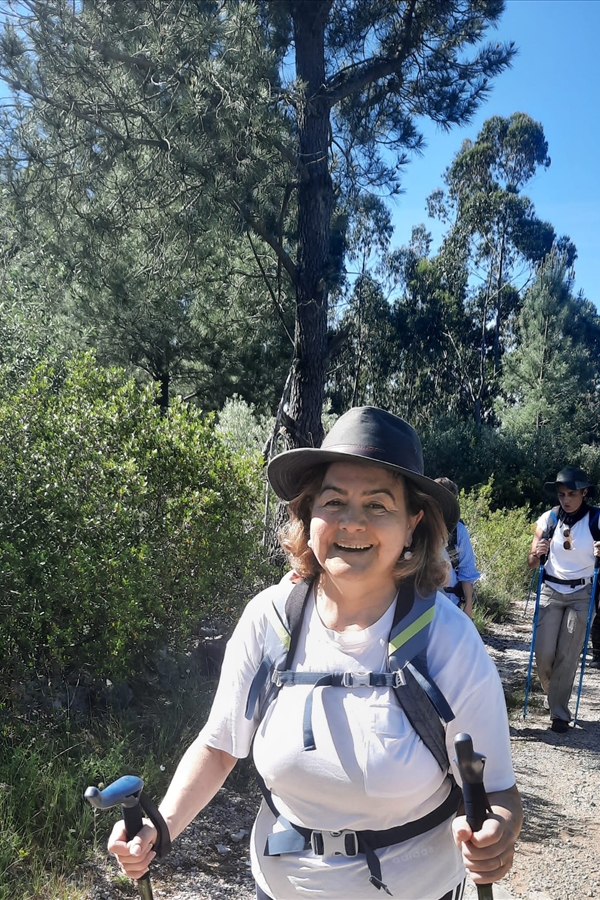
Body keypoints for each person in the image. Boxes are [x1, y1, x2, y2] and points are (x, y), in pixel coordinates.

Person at [108, 406, 522, 900]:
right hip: (280, 887)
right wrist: (160, 826)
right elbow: (219, 747)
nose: (352, 523)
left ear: (412, 523)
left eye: (378, 505)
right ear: (308, 514)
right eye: (334, 501)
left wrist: (498, 834)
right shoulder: (271, 618)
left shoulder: (448, 640)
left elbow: (496, 790)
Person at [527, 465, 600, 732]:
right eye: (561, 494)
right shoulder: (549, 519)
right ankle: (554, 690)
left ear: (584, 493)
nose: (566, 499)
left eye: (572, 494)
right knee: (544, 655)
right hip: (551, 590)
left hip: (582, 593)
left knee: (568, 655)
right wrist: (537, 552)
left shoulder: (596, 520)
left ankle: (559, 713)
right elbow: (532, 563)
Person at [434, 478, 480, 619]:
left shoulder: (458, 530)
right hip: (422, 600)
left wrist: (468, 606)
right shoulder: (419, 525)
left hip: (450, 602)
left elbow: (467, 571)